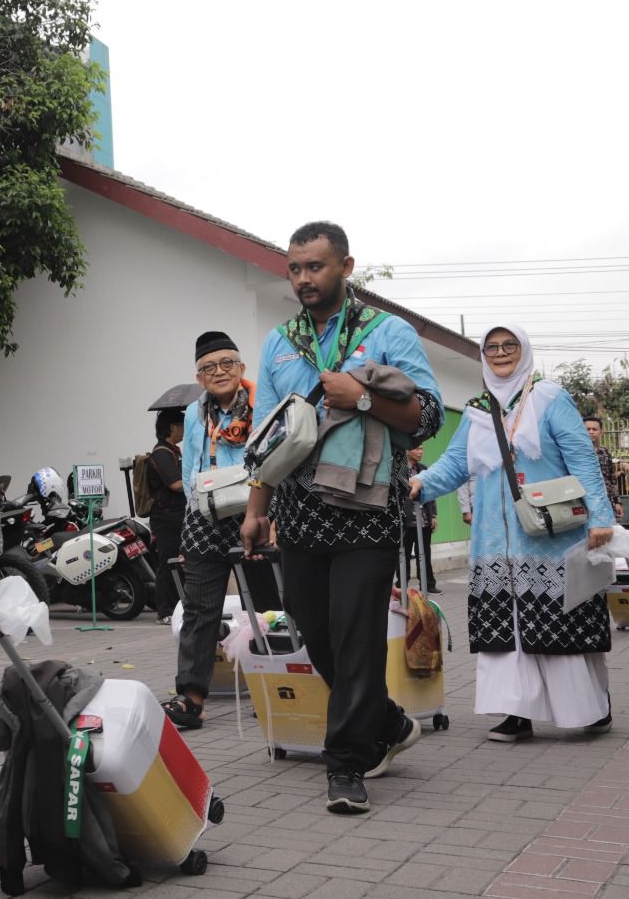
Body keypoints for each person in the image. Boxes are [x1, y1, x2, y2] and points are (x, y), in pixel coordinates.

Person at [241, 221, 441, 815]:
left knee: (356, 637)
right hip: (300, 512)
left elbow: (428, 417)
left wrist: (361, 397)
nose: (304, 278)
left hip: (368, 508)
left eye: (316, 266)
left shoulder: (387, 331)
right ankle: (388, 721)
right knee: (315, 631)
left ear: (346, 267)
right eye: (295, 268)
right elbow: (267, 436)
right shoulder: (280, 342)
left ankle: (347, 764)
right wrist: (256, 509)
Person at [412, 326, 615, 741]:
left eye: (510, 346)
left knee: (559, 625)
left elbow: (582, 459)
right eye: (492, 347)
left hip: (550, 538)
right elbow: (454, 464)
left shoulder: (550, 398)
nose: (501, 353)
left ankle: (588, 706)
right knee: (506, 630)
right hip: (494, 544)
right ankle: (516, 712)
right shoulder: (477, 409)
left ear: (524, 351)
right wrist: (420, 484)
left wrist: (600, 517)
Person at [161, 332, 251, 730]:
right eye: (209, 367)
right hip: (206, 514)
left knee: (269, 605)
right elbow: (188, 472)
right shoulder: (193, 416)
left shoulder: (262, 406)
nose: (219, 372)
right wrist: (191, 523)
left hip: (253, 509)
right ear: (199, 378)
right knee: (198, 609)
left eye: (227, 363)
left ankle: (277, 685)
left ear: (241, 368)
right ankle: (191, 698)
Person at [147, 408, 186, 623]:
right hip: (166, 517)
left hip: (177, 515)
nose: (184, 430)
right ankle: (165, 612)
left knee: (179, 563)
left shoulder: (173, 451)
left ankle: (179, 608)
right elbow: (175, 484)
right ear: (172, 427)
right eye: (182, 425)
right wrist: (198, 481)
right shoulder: (161, 453)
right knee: (168, 563)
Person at [405, 445, 440, 593]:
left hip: (424, 520)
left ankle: (428, 585)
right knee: (404, 554)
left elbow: (431, 493)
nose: (420, 452)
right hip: (406, 520)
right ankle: (401, 586)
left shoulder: (424, 469)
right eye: (417, 449)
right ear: (407, 451)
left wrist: (433, 515)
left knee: (425, 553)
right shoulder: (400, 470)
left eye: (422, 449)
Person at [583, 415, 624, 522]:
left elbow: (612, 479)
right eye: (588, 429)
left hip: (606, 500)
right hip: (585, 500)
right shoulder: (577, 453)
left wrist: (617, 502)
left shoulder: (604, 452)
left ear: (601, 432)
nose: (591, 432)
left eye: (594, 429)